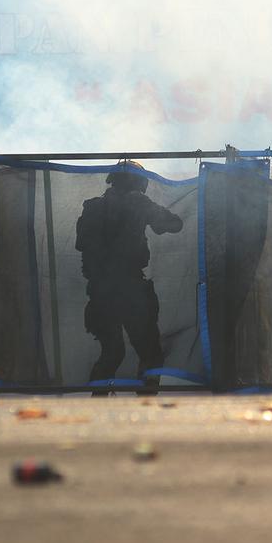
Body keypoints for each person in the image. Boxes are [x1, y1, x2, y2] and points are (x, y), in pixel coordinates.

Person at [76, 161, 183, 389]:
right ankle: (147, 405)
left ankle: (96, 402)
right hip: (130, 289)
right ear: (138, 182)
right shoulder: (138, 203)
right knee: (150, 353)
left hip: (100, 291)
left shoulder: (93, 207)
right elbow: (174, 224)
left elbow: (81, 244)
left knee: (112, 352)